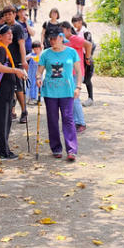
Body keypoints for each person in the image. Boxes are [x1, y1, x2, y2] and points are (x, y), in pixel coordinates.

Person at [37, 28, 82, 161]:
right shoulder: (45, 54)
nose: (52, 41)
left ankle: (71, 150)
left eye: (54, 38)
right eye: (50, 39)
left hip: (67, 91)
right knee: (52, 120)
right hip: (50, 91)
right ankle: (56, 148)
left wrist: (78, 87)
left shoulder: (71, 52)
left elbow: (79, 72)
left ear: (61, 37)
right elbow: (39, 71)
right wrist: (38, 78)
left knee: (68, 118)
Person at [0, 25, 26, 160]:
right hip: (2, 91)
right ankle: (3, 151)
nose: (10, 35)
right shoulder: (1, 50)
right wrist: (15, 71)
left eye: (11, 33)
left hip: (3, 90)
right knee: (4, 121)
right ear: (0, 36)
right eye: (7, 34)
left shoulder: (3, 49)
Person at [60, 21, 92, 132]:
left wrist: (87, 58)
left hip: (77, 74)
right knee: (70, 99)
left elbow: (88, 45)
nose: (61, 32)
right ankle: (74, 122)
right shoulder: (64, 41)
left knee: (75, 99)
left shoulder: (73, 38)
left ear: (68, 30)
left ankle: (81, 123)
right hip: (69, 74)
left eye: (62, 30)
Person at [2, 5, 30, 124]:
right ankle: (12, 112)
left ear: (15, 14)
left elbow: (21, 44)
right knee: (9, 87)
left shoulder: (18, 28)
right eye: (6, 14)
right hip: (6, 62)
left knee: (18, 88)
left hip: (17, 62)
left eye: (10, 14)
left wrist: (23, 61)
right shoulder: (3, 27)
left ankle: (24, 111)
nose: (8, 16)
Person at [72, 14, 95, 106]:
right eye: (73, 22)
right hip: (78, 58)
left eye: (75, 22)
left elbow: (90, 45)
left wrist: (88, 58)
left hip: (86, 57)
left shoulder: (86, 32)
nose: (74, 24)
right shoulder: (74, 32)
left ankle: (90, 98)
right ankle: (77, 96)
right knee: (78, 78)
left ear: (80, 22)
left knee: (87, 79)